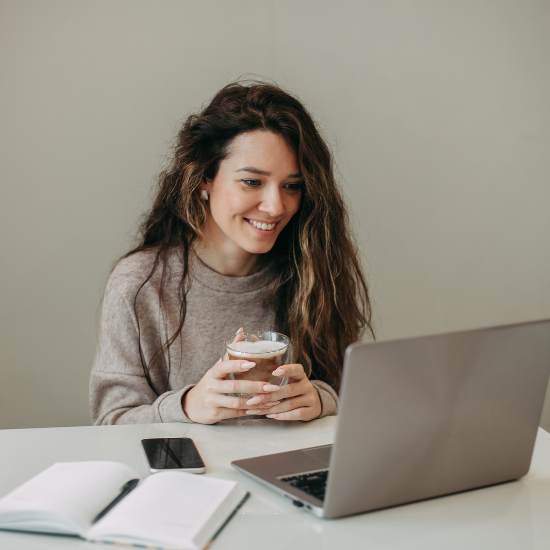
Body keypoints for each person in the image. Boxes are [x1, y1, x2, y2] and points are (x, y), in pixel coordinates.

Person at [90, 80, 373, 425]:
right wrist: (188, 406)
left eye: (292, 186)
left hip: (284, 472)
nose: (275, 206)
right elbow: (110, 422)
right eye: (252, 182)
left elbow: (355, 396)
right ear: (203, 178)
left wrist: (320, 399)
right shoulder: (138, 285)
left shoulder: (312, 270)